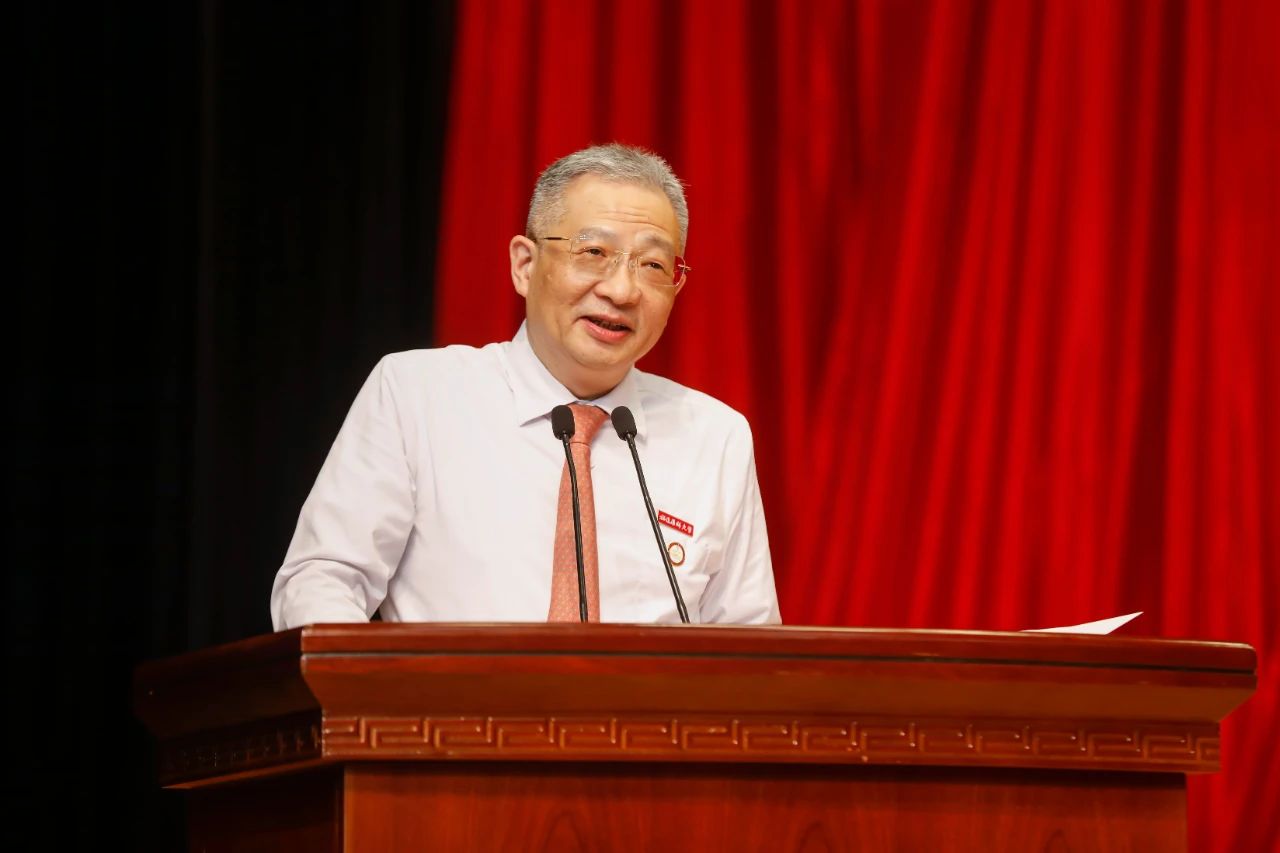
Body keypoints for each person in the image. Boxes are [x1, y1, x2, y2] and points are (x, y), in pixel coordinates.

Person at [270, 143, 780, 628]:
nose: (622, 290)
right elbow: (322, 580)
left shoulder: (715, 438)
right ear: (525, 265)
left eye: (652, 265)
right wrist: (380, 688)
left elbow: (750, 646)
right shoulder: (417, 395)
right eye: (593, 251)